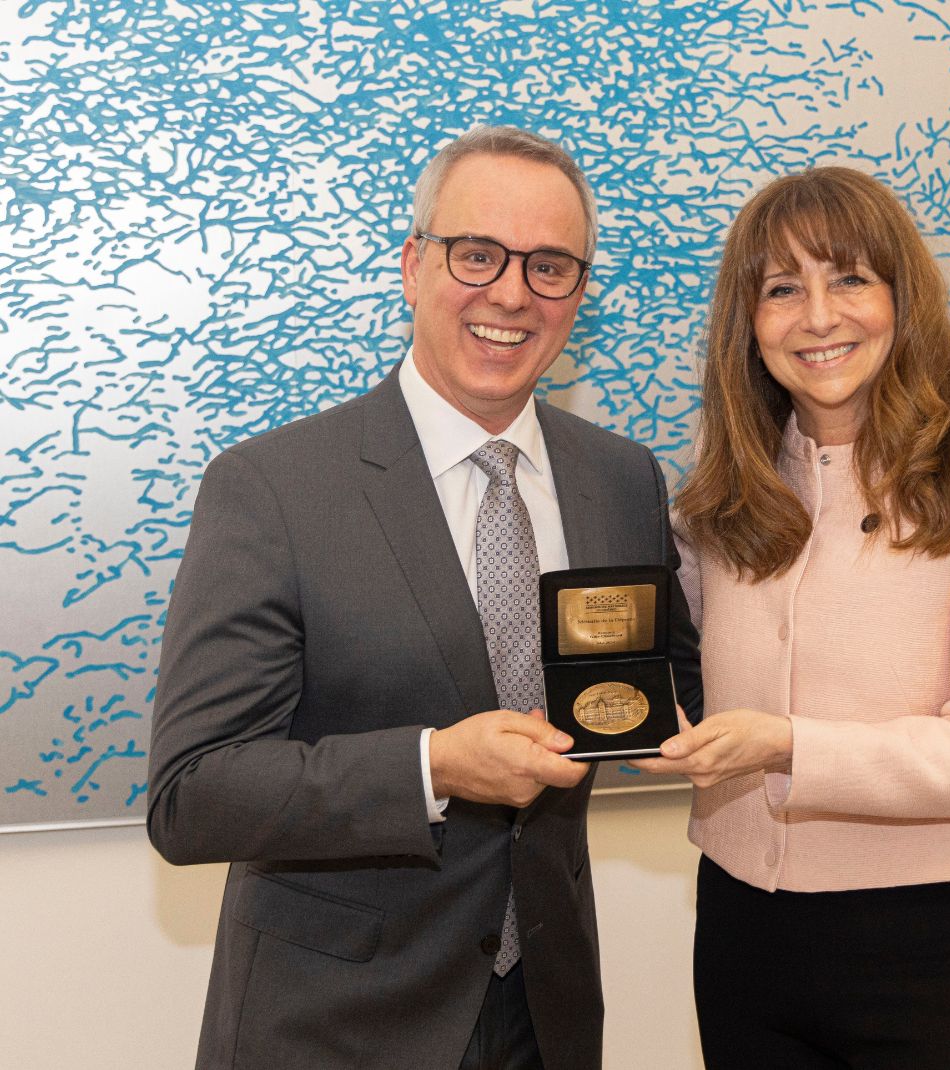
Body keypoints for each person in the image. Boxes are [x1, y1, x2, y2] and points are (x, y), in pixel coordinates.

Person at [147, 126, 701, 1070]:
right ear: (413, 266)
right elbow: (192, 795)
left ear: (579, 293)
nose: (512, 294)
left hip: (548, 1017)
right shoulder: (274, 487)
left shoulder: (621, 479)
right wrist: (434, 766)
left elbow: (679, 690)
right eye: (478, 254)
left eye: (550, 266)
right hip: (336, 1027)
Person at [634, 166, 950, 1069]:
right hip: (743, 928)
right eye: (782, 290)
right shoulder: (724, 481)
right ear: (748, 322)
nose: (819, 317)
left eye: (850, 279)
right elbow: (668, 655)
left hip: (930, 940)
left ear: (902, 297)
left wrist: (788, 743)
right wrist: (641, 722)